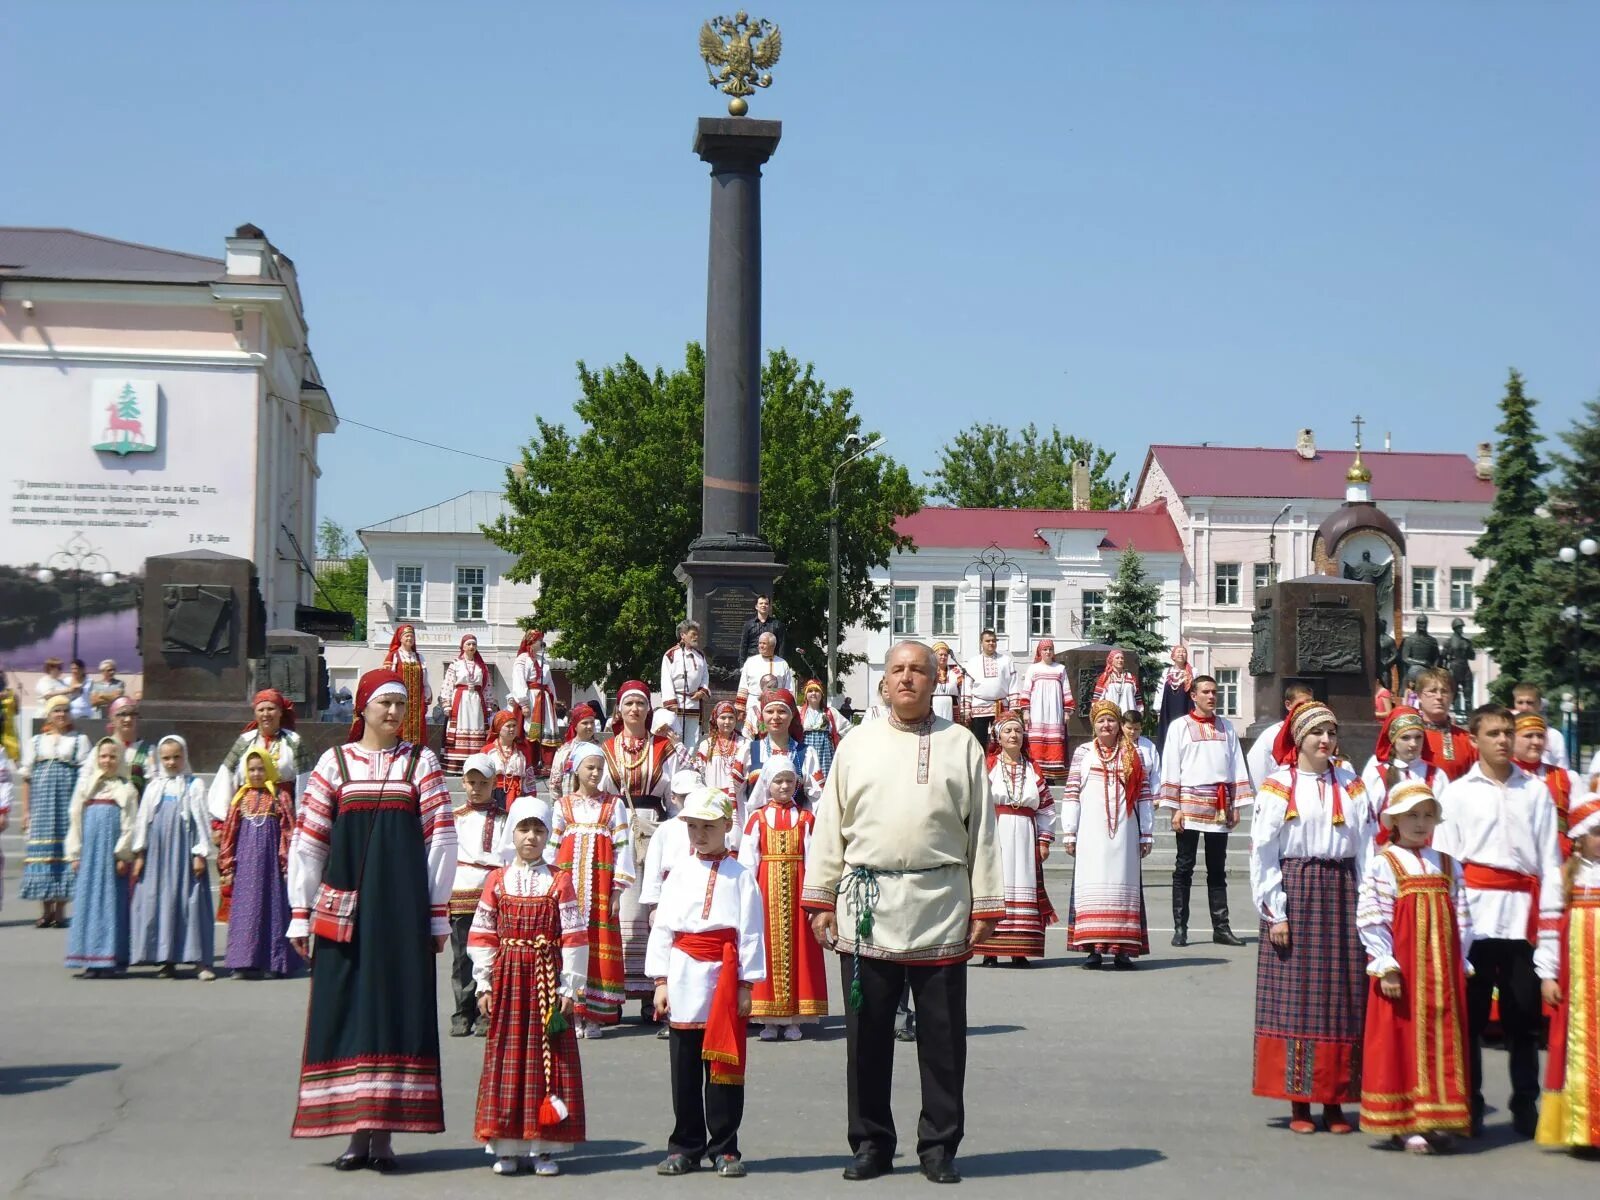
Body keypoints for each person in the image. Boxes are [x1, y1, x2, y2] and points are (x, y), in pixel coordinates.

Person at [802, 640, 1004, 1185]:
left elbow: (983, 829)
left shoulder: (961, 744)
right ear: (884, 682)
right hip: (867, 910)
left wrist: (986, 902)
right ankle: (871, 1142)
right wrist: (820, 897)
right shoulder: (855, 745)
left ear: (936, 680)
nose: (908, 679)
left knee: (942, 1040)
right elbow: (829, 825)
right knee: (866, 1038)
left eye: (918, 670)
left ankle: (939, 1145)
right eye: (898, 670)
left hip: (941, 908)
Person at [286, 668, 456, 1168]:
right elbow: (310, 840)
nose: (393, 713)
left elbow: (441, 841)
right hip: (346, 917)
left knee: (396, 1015)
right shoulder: (333, 764)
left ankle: (383, 1135)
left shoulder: (420, 764)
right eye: (384, 703)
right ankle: (355, 1131)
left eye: (401, 706)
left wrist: (436, 914)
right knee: (348, 1013)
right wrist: (301, 913)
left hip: (401, 916)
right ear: (362, 707)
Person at [1431, 703, 1562, 1138]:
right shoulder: (1457, 793)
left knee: (1522, 1018)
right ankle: (1469, 1100)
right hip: (1475, 921)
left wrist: (1550, 929)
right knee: (1467, 1017)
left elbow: (1550, 861)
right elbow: (1446, 862)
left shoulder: (1536, 791)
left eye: (1508, 732)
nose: (1504, 740)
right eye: (1494, 733)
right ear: (1474, 739)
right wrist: (1452, 924)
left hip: (1523, 919)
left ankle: (1526, 1102)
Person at [1249, 701, 1374, 1134]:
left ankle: (1336, 1101)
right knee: (1299, 1001)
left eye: (1332, 733)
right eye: (1317, 733)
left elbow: (1367, 847)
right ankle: (1300, 1101)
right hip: (1298, 892)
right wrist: (1274, 913)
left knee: (1342, 999)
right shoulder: (1279, 786)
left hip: (1342, 892)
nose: (1326, 741)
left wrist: (1370, 904)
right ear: (1299, 739)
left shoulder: (1351, 783)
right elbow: (1264, 853)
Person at [648, 787, 766, 1178]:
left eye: (708, 827)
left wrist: (748, 984)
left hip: (724, 978)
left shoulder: (741, 876)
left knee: (722, 1068)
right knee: (683, 1067)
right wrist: (661, 980)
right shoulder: (680, 872)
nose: (699, 834)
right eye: (693, 826)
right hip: (682, 974)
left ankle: (724, 1146)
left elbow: (750, 932)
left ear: (727, 826)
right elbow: (663, 927)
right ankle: (685, 1145)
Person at [469, 795, 587, 1176]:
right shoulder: (497, 880)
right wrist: (484, 983)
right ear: (512, 833)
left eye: (539, 829)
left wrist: (569, 987)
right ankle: (506, 1145)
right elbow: (483, 934)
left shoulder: (560, 881)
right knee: (509, 1057)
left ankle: (543, 1147)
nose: (531, 837)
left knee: (548, 1060)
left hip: (546, 979)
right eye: (524, 828)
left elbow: (574, 936)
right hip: (508, 980)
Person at [1356, 779, 1473, 1152]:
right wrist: (1385, 963)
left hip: (1442, 970)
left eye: (1427, 815)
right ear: (1395, 821)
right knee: (1402, 1039)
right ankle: (1405, 1120)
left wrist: (1462, 958)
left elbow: (1464, 915)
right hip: (1406, 969)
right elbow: (1374, 916)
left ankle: (1437, 1115)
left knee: (1442, 1039)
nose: (1420, 823)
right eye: (1412, 816)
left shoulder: (1448, 864)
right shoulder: (1385, 863)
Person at [601, 681, 679, 1012]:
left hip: (656, 828)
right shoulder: (606, 748)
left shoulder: (664, 747)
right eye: (629, 704)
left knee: (653, 908)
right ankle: (613, 993)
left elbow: (674, 796)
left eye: (641, 704)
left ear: (650, 709)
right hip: (619, 829)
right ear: (619, 709)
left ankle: (654, 997)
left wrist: (677, 837)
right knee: (621, 909)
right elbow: (602, 791)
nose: (635, 709)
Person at [739, 755, 828, 1040]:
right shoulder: (757, 818)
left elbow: (814, 858)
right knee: (765, 947)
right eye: (778, 780)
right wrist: (745, 894)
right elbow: (747, 859)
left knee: (798, 948)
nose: (784, 786)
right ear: (768, 784)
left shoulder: (805, 819)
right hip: (766, 889)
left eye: (789, 781)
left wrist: (815, 895)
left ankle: (794, 1019)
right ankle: (767, 1019)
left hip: (797, 888)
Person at [1160, 675, 1252, 948]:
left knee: (1217, 867)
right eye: (1206, 692)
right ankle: (1180, 927)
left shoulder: (1226, 727)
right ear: (1194, 695)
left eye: (1215, 692)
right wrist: (1174, 807)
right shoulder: (1180, 727)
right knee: (1184, 867)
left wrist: (1236, 803)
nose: (1212, 696)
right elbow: (1171, 764)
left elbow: (1236, 763)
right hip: (1189, 803)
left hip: (1219, 805)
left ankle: (1221, 928)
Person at [1062, 701, 1152, 970]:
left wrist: (1146, 833)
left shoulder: (1133, 754)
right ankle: (1093, 950)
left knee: (1124, 885)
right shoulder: (1083, 753)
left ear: (1118, 724)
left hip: (1124, 832)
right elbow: (1072, 793)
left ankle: (1123, 950)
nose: (1106, 725)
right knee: (1092, 884)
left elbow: (1144, 796)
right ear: (1093, 724)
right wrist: (1070, 831)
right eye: (1101, 720)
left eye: (1111, 720)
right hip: (1092, 832)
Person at [553, 742, 634, 1036]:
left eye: (600, 769)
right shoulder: (563, 806)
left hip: (600, 888)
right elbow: (552, 846)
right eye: (590, 767)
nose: (596, 773)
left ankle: (595, 1015)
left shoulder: (614, 806)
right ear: (576, 769)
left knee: (598, 945)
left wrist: (617, 890)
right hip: (568, 888)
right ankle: (572, 1012)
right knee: (569, 944)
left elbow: (623, 848)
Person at [1537, 793, 1600, 1151]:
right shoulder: (1560, 876)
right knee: (1575, 1047)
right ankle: (1579, 1128)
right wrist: (1548, 973)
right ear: (1579, 836)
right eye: (1597, 832)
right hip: (1577, 979)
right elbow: (1548, 929)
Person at [128, 735, 215, 980]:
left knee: (191, 903)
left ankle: (200, 960)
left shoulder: (193, 785)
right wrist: (140, 853)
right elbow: (143, 822)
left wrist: (200, 853)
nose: (171, 762)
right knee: (161, 902)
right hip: (158, 856)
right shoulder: (154, 787)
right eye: (166, 758)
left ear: (184, 756)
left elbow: (201, 822)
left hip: (184, 856)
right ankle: (165, 959)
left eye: (176, 757)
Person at [974, 710, 1057, 966]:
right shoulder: (988, 766)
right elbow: (976, 803)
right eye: (1008, 731)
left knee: (1023, 885)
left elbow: (1046, 807)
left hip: (1024, 835)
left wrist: (1043, 840)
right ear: (998, 737)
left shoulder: (1033, 769)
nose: (1013, 735)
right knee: (995, 885)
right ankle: (990, 949)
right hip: (996, 832)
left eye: (1018, 731)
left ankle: (1020, 948)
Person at [218, 747, 300, 979]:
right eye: (252, 769)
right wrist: (228, 864)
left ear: (270, 769)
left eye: (261, 768)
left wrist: (287, 864)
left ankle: (275, 962)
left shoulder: (279, 797)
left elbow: (288, 831)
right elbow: (229, 833)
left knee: (273, 908)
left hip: (271, 865)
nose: (256, 774)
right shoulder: (240, 798)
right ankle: (243, 963)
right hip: (246, 865)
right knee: (246, 910)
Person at [63, 737, 137, 977]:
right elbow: (75, 817)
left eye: (112, 756)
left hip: (112, 855)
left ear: (120, 759)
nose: (107, 761)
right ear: (96, 758)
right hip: (91, 853)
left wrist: (123, 855)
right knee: (89, 901)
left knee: (111, 902)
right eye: (103, 756)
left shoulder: (125, 788)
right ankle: (88, 957)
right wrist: (75, 852)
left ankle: (109, 958)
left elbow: (130, 824)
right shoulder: (87, 786)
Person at [449, 754, 510, 1037]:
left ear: (494, 783)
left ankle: (488, 1012)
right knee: (462, 957)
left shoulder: (505, 820)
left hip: (493, 893)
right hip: (461, 892)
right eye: (471, 782)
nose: (476, 788)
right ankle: (462, 1012)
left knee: (493, 955)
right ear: (463, 782)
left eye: (483, 783)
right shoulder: (455, 818)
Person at [19, 695, 90, 927]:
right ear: (49, 714)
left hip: (67, 804)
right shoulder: (37, 742)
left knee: (65, 854)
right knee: (43, 857)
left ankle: (60, 910)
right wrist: (26, 811)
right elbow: (27, 778)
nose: (61, 714)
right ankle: (45, 910)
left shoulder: (79, 740)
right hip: (42, 806)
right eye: (56, 710)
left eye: (65, 710)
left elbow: (85, 777)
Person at [207, 689, 314, 830]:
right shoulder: (245, 741)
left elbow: (304, 782)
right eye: (261, 710)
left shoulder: (294, 741)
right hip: (247, 815)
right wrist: (219, 821)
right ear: (255, 714)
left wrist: (304, 821)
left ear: (281, 712)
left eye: (271, 709)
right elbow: (227, 777)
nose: (266, 714)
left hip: (283, 818)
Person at [1359, 705, 1446, 843]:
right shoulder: (1378, 773)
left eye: (1418, 737)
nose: (1413, 744)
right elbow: (1367, 822)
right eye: (1405, 738)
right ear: (1393, 740)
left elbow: (1443, 823)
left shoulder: (1435, 775)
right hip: (1386, 852)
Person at [741, 690, 825, 814]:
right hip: (757, 829)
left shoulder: (806, 753)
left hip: (796, 829)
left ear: (792, 715)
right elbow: (738, 796)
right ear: (762, 716)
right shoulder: (750, 750)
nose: (775, 717)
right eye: (769, 711)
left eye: (782, 711)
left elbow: (817, 798)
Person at [1512, 713, 1578, 858]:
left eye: (1540, 736)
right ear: (1512, 738)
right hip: (1518, 862)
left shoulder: (1566, 777)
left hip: (1559, 862)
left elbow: (1581, 827)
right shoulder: (1502, 776)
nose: (1536, 741)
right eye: (1528, 736)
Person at [1245, 681, 1316, 793]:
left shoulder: (1318, 732)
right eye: (1302, 704)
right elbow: (1258, 765)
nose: (1307, 708)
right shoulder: (1272, 734)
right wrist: (1267, 795)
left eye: (1311, 704)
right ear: (1288, 705)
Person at [1020, 639, 1073, 781]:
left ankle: (1052, 777)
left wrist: (1067, 711)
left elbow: (1066, 690)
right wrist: (1026, 711)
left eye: (1050, 649)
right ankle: (1036, 773)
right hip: (1037, 711)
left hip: (1054, 712)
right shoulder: (1033, 669)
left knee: (1054, 739)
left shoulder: (1060, 668)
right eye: (1045, 649)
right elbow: (1026, 691)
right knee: (1036, 740)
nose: (1048, 652)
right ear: (1040, 652)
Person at [442, 634, 495, 775]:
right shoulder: (456, 664)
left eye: (474, 645)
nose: (472, 647)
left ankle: (476, 763)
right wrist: (447, 704)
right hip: (461, 701)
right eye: (469, 644)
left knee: (476, 728)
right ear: (463, 647)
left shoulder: (481, 666)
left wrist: (489, 704)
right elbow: (448, 684)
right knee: (461, 726)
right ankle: (456, 766)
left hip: (477, 701)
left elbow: (487, 686)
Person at [512, 629, 560, 775]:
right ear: (532, 642)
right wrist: (524, 703)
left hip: (544, 698)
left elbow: (549, 682)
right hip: (532, 698)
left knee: (547, 729)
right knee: (531, 730)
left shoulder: (543, 660)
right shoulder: (522, 659)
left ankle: (547, 764)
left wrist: (554, 700)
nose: (542, 642)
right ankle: (531, 763)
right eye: (539, 639)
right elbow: (519, 681)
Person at [1414, 667, 1475, 782]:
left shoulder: (1467, 740)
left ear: (1452, 697)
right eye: (1432, 691)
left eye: (1445, 691)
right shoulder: (1407, 737)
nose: (1439, 697)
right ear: (1419, 696)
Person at [661, 620, 711, 747]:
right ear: (683, 635)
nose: (696, 637)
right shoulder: (671, 655)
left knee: (693, 740)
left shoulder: (700, 655)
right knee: (674, 738)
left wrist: (702, 691)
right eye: (693, 634)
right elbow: (666, 679)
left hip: (694, 703)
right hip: (677, 703)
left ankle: (689, 764)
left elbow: (705, 676)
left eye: (697, 634)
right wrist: (671, 703)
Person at [381, 623, 431, 748]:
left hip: (417, 700)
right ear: (400, 638)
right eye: (406, 636)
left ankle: (416, 753)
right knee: (399, 725)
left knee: (417, 727)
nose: (409, 639)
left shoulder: (419, 657)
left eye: (411, 636)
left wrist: (427, 695)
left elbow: (424, 679)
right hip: (400, 698)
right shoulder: (394, 656)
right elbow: (388, 677)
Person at [735, 632, 793, 737]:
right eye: (759, 643)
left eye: (764, 643)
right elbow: (743, 686)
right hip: (754, 705)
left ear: (773, 646)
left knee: (770, 736)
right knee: (751, 736)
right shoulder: (750, 662)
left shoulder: (782, 664)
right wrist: (740, 710)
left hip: (774, 708)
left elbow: (788, 689)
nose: (760, 646)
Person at [965, 628, 1015, 751]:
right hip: (979, 706)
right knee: (979, 741)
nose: (991, 643)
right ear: (981, 643)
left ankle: (999, 766)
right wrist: (966, 708)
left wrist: (1014, 707)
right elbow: (967, 685)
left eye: (993, 641)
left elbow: (1013, 683)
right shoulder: (973, 662)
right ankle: (980, 766)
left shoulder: (1006, 660)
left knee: (1001, 739)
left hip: (1001, 707)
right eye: (987, 641)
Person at [692, 701, 748, 809]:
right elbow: (698, 771)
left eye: (731, 718)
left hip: (738, 801)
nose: (727, 722)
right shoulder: (706, 745)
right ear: (715, 719)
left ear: (736, 720)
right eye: (723, 718)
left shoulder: (744, 743)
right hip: (713, 800)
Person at [481, 709, 538, 805]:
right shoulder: (487, 750)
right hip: (493, 794)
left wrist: (531, 797)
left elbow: (529, 777)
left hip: (517, 795)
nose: (512, 729)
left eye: (514, 726)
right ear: (499, 728)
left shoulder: (523, 750)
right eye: (508, 726)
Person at [798, 679, 849, 780]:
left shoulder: (830, 712)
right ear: (806, 695)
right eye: (810, 691)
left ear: (821, 694)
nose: (813, 693)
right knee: (807, 777)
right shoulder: (799, 712)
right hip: (805, 750)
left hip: (825, 752)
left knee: (825, 779)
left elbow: (847, 728)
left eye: (817, 691)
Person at [1513, 682, 1571, 770]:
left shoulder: (1554, 736)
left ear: (1540, 704)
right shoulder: (1507, 733)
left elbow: (1563, 768)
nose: (1524, 707)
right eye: (1520, 702)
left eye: (1530, 703)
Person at [107, 697, 156, 797]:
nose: (128, 719)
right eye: (122, 714)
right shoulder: (102, 748)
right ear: (112, 718)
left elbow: (154, 785)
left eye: (132, 714)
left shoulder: (148, 750)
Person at [549, 702, 601, 795]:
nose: (589, 726)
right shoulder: (565, 751)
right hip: (569, 803)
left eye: (592, 722)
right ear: (575, 726)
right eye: (585, 723)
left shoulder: (600, 750)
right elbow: (555, 782)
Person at [1091, 649, 1141, 716]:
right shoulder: (1105, 677)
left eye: (1122, 658)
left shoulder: (1131, 677)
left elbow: (1137, 697)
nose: (1120, 660)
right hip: (1111, 715)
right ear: (1111, 660)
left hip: (1129, 717)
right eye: (1117, 658)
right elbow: (1097, 698)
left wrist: (1140, 711)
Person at [738, 593, 785, 663]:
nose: (763, 605)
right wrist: (742, 665)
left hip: (771, 662)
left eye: (766, 604)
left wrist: (781, 663)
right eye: (761, 603)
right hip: (752, 662)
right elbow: (743, 646)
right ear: (756, 606)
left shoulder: (777, 625)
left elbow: (782, 646)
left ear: (769, 607)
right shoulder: (748, 625)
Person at [930, 642, 966, 725]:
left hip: (953, 708)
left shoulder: (956, 672)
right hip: (932, 707)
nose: (943, 657)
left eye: (945, 655)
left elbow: (963, 691)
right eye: (941, 654)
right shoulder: (929, 672)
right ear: (934, 656)